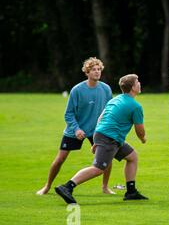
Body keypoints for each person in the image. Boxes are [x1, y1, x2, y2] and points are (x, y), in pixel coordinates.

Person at [54, 74, 148, 204]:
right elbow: (140, 131)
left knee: (132, 157)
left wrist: (96, 140)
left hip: (106, 135)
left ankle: (131, 192)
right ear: (132, 88)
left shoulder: (115, 100)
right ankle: (67, 187)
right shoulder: (135, 106)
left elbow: (100, 118)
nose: (139, 84)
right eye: (137, 82)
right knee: (98, 168)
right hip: (110, 138)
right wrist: (143, 138)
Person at [36, 57, 114, 196]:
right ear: (87, 72)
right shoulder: (77, 90)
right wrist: (76, 129)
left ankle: (105, 187)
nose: (97, 72)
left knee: (106, 157)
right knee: (60, 159)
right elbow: (69, 114)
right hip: (75, 130)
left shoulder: (106, 89)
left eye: (99, 69)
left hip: (97, 131)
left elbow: (109, 110)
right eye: (93, 70)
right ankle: (47, 186)